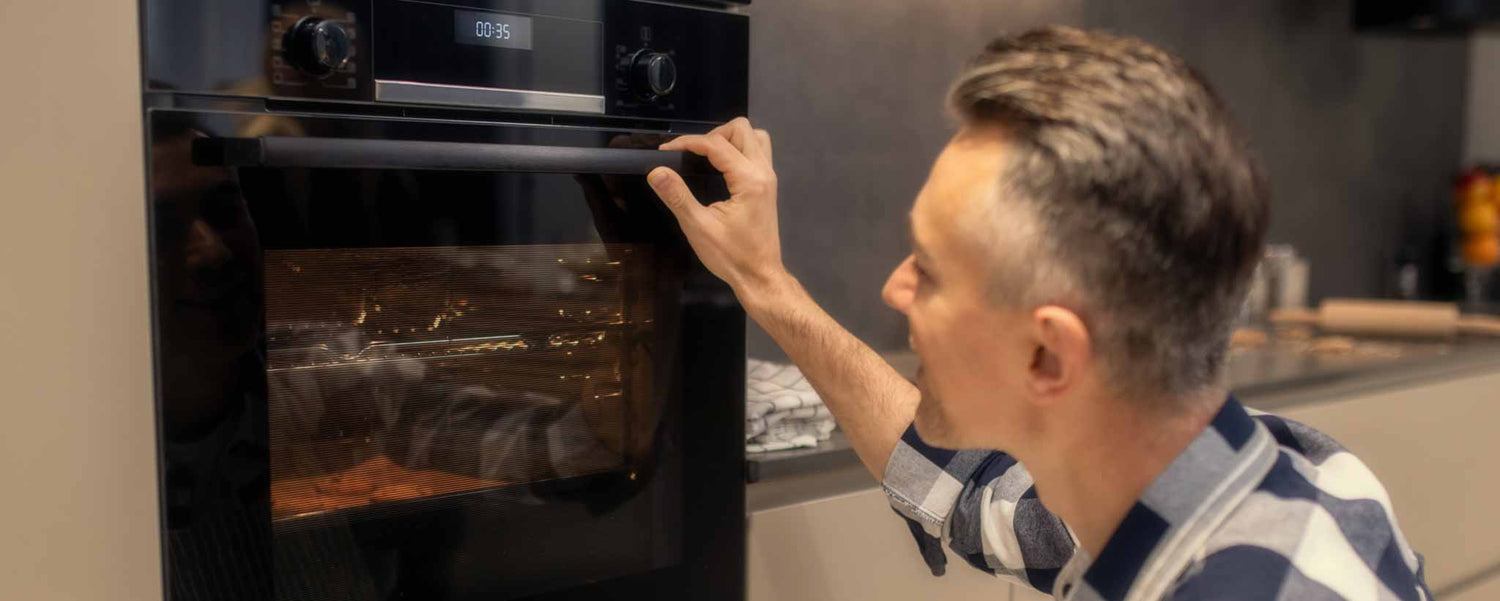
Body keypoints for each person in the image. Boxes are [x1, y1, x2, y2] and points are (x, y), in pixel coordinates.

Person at [645, 27, 1430, 601]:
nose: (894, 288)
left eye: (930, 269)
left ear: (1049, 357)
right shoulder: (1287, 474)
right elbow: (964, 487)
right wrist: (766, 282)